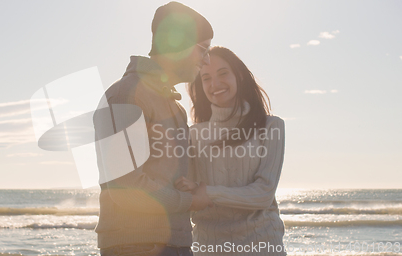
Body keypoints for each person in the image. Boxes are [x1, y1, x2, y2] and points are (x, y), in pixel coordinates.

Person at [93, 2, 214, 256]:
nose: (207, 60)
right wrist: (191, 201)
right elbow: (125, 187)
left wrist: (188, 187)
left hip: (172, 244)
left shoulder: (172, 105)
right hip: (140, 246)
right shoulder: (127, 95)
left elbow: (161, 175)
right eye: (203, 49)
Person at [176, 46, 287, 255]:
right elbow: (187, 193)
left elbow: (264, 193)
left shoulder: (271, 127)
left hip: (262, 245)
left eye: (223, 73)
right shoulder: (192, 135)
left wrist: (209, 192)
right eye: (206, 78)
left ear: (240, 77)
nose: (215, 84)